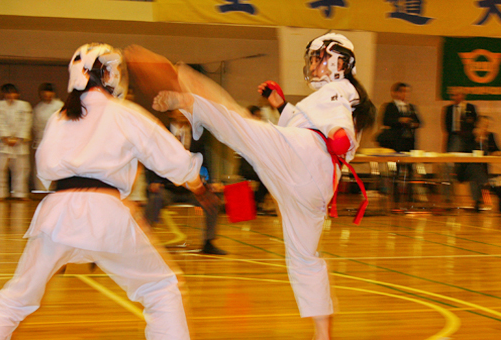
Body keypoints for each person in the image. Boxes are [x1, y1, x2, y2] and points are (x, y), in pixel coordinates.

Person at [127, 32, 376, 340]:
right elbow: (308, 124)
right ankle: (322, 334)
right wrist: (281, 104)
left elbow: (339, 127)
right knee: (304, 258)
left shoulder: (340, 89)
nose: (312, 65)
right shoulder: (334, 94)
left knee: (241, 128)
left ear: (338, 61)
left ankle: (191, 102)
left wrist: (342, 136)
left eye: (317, 57)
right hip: (313, 183)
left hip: (308, 158)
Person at [0, 43, 212, 340]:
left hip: (56, 215)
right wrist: (199, 187)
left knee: (16, 298)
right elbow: (174, 161)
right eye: (113, 70)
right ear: (106, 74)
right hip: (106, 215)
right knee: (160, 289)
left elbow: (43, 170)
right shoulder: (122, 113)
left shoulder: (60, 118)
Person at [145, 109, 227, 255]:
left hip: (191, 189)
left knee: (213, 201)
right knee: (154, 200)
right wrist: (153, 181)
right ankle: (143, 242)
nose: (182, 113)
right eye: (179, 110)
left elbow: (204, 159)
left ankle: (208, 242)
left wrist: (211, 181)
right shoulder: (161, 132)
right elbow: (150, 157)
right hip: (167, 187)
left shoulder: (197, 134)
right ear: (171, 113)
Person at [0, 84, 33, 200]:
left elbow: (26, 122)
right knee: (0, 169)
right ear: (3, 94)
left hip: (19, 143)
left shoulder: (24, 106)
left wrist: (19, 138)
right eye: (8, 93)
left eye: (13, 93)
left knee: (21, 170)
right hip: (3, 143)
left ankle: (20, 193)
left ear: (17, 94)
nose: (10, 95)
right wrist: (5, 137)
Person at [456, 115, 501, 211]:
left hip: (482, 168)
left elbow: (497, 150)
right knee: (475, 169)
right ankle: (485, 183)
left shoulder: (490, 136)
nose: (484, 128)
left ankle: (476, 201)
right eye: (483, 125)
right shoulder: (469, 135)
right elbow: (463, 151)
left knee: (476, 175)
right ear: (477, 124)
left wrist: (496, 152)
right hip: (467, 168)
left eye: (487, 125)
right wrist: (477, 140)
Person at [237, 105, 271, 213]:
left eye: (260, 116)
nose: (259, 118)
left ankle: (255, 203)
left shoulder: (256, 129)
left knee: (268, 178)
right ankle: (255, 204)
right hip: (247, 167)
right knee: (267, 179)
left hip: (253, 166)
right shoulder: (246, 130)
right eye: (257, 116)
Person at [32, 83, 64, 192]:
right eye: (44, 93)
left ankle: (57, 190)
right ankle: (41, 191)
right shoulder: (38, 108)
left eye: (49, 92)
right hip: (42, 140)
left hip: (57, 141)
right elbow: (35, 126)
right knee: (41, 166)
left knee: (56, 167)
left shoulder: (60, 106)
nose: (47, 95)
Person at [378, 82, 421, 152]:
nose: (405, 94)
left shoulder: (411, 107)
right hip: (394, 140)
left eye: (407, 92)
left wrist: (412, 123)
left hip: (408, 140)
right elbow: (385, 121)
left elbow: (418, 122)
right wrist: (399, 120)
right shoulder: (389, 106)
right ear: (395, 93)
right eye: (402, 91)